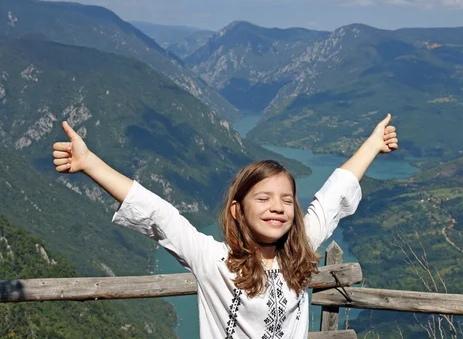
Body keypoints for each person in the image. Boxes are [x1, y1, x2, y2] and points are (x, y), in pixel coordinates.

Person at [52, 114, 398, 338]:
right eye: (263, 199)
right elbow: (159, 215)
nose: (277, 207)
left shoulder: (299, 254)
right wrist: (90, 163)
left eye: (286, 199)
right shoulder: (213, 261)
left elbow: (333, 197)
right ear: (237, 210)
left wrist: (373, 144)